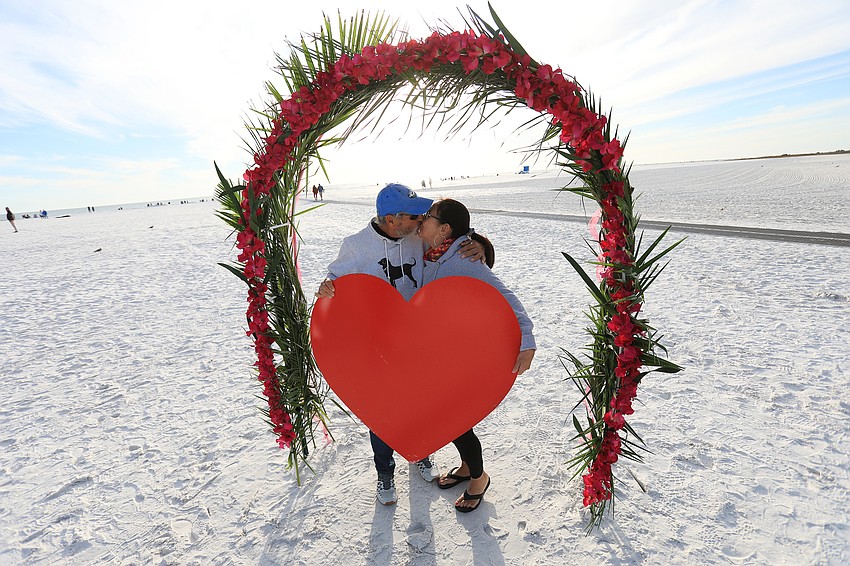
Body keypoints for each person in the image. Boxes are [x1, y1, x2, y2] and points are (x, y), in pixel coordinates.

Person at [316, 183, 486, 505]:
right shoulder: (355, 246)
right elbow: (336, 283)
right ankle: (385, 473)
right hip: (376, 345)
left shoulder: (416, 239)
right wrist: (327, 288)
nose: (421, 219)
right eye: (413, 215)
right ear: (391, 219)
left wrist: (479, 245)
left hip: (417, 340)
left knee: (420, 402)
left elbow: (450, 244)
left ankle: (420, 453)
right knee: (381, 411)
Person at [418, 198, 536, 513]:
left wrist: (527, 340)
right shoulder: (432, 253)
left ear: (444, 229)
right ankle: (469, 466)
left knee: (454, 416)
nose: (422, 220)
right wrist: (479, 241)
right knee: (451, 415)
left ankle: (479, 477)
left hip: (463, 353)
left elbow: (506, 297)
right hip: (441, 351)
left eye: (428, 216)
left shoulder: (462, 259)